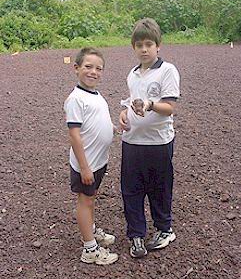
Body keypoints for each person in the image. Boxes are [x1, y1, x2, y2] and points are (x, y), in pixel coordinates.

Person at [119, 18, 181, 258]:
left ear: (158, 46)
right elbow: (131, 101)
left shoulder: (167, 70)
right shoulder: (132, 74)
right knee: (131, 190)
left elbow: (170, 107)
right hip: (132, 141)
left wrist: (151, 104)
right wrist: (124, 113)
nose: (144, 49)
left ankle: (165, 229)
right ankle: (136, 235)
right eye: (139, 45)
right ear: (133, 47)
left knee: (159, 188)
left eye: (148, 44)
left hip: (158, 142)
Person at [64, 47, 118, 265]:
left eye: (98, 68)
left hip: (98, 161)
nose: (93, 72)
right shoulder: (76, 99)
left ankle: (91, 230)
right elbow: (75, 136)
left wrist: (114, 127)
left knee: (90, 198)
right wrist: (84, 167)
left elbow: (97, 123)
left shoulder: (95, 95)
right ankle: (90, 250)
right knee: (85, 201)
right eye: (88, 67)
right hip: (87, 163)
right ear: (76, 68)